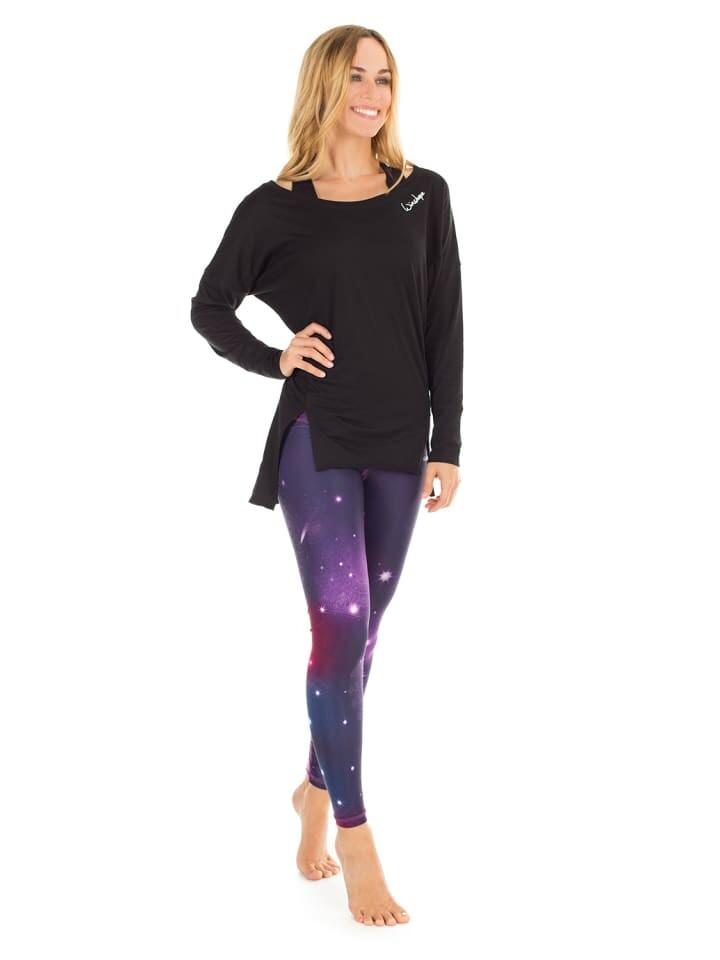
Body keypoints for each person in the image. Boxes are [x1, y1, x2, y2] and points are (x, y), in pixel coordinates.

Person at [190, 25, 463, 927]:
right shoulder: (277, 208)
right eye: (356, 78)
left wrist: (449, 442)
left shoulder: (422, 194)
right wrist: (275, 357)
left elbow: (446, 322)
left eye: (383, 78)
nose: (372, 94)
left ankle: (311, 789)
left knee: (364, 633)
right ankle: (355, 834)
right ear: (323, 87)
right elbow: (209, 305)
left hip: (402, 436)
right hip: (318, 433)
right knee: (339, 620)